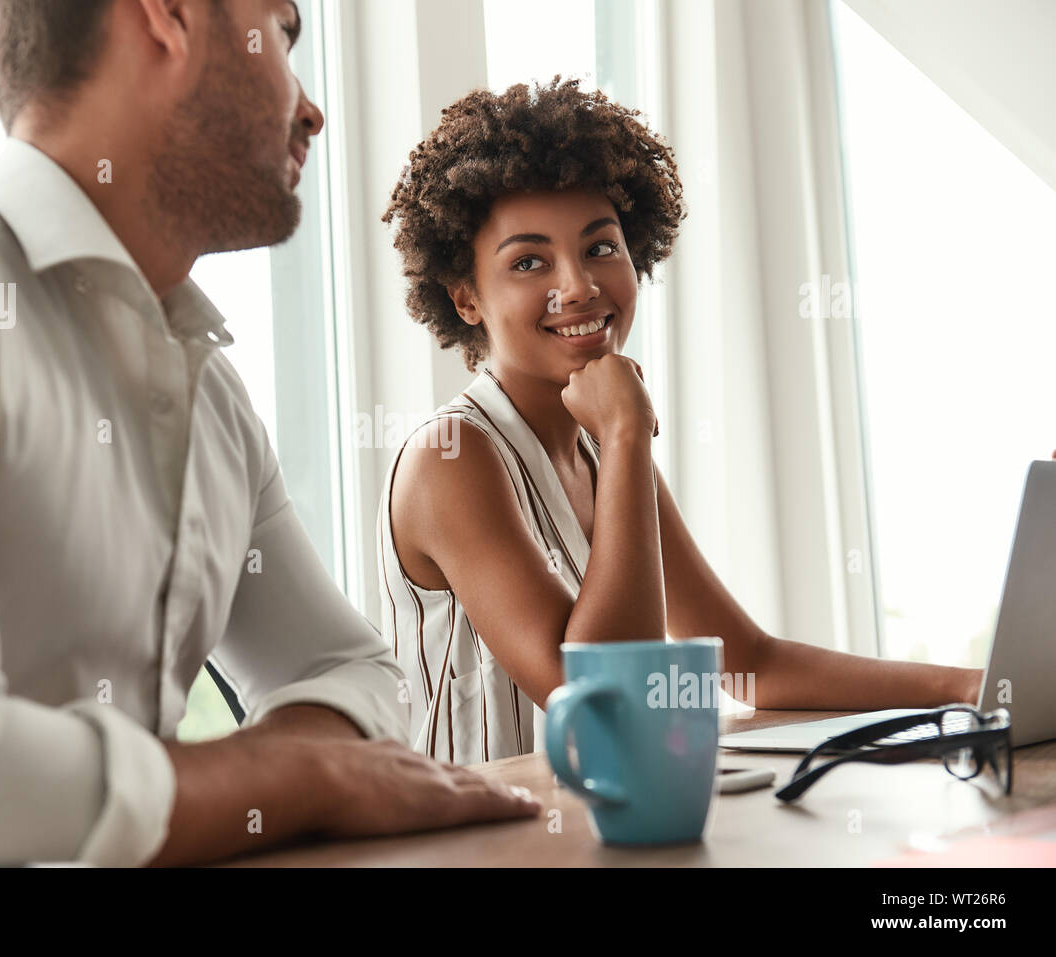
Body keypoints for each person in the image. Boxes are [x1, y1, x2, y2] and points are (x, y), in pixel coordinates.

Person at [0, 0, 541, 868]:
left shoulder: (214, 397)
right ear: (166, 16)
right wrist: (305, 778)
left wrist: (275, 772)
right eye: (282, 33)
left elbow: (354, 668)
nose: (312, 108)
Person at [377, 76, 985, 764]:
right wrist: (630, 435)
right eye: (529, 260)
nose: (577, 284)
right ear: (465, 298)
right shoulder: (452, 458)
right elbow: (606, 694)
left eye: (600, 246)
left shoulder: (600, 449)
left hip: (597, 835)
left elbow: (750, 661)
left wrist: (973, 685)